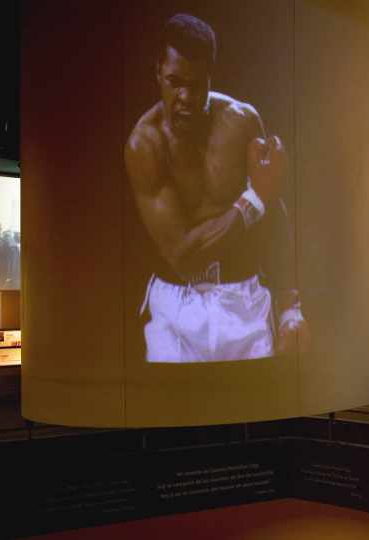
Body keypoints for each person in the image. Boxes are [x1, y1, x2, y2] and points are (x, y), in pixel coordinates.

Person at [125, 14, 307, 362]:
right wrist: (254, 200)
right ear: (158, 73)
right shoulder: (145, 144)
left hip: (245, 300)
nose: (185, 97)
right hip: (174, 308)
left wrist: (291, 307)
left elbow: (275, 213)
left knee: (255, 412)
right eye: (174, 82)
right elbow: (184, 256)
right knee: (175, 413)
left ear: (210, 74)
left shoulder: (241, 121)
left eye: (196, 85)